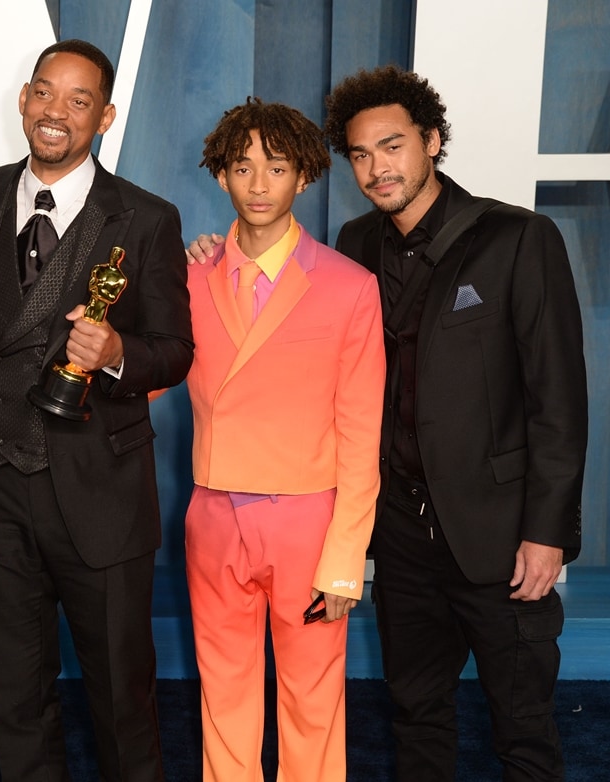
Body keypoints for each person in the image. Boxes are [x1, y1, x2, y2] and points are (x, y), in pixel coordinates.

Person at [0, 39, 193, 781]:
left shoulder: (146, 219)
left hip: (99, 495)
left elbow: (176, 350)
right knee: (17, 696)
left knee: (123, 703)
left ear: (105, 115)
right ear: (24, 101)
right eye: (44, 93)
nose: (56, 112)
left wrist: (119, 352)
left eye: (79, 99)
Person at [322, 65, 588, 781]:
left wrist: (547, 533)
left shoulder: (516, 239)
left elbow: (558, 400)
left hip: (501, 535)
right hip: (403, 535)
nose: (378, 169)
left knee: (524, 728)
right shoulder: (353, 246)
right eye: (360, 154)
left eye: (393, 146)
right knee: (416, 714)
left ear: (432, 141)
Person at [179, 98, 384, 781]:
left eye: (276, 168)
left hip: (310, 521)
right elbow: (144, 383)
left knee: (312, 700)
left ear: (304, 176)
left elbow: (362, 433)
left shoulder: (350, 287)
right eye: (243, 168)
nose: (259, 184)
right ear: (221, 178)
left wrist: (346, 558)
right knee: (224, 691)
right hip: (212, 513)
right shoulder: (186, 278)